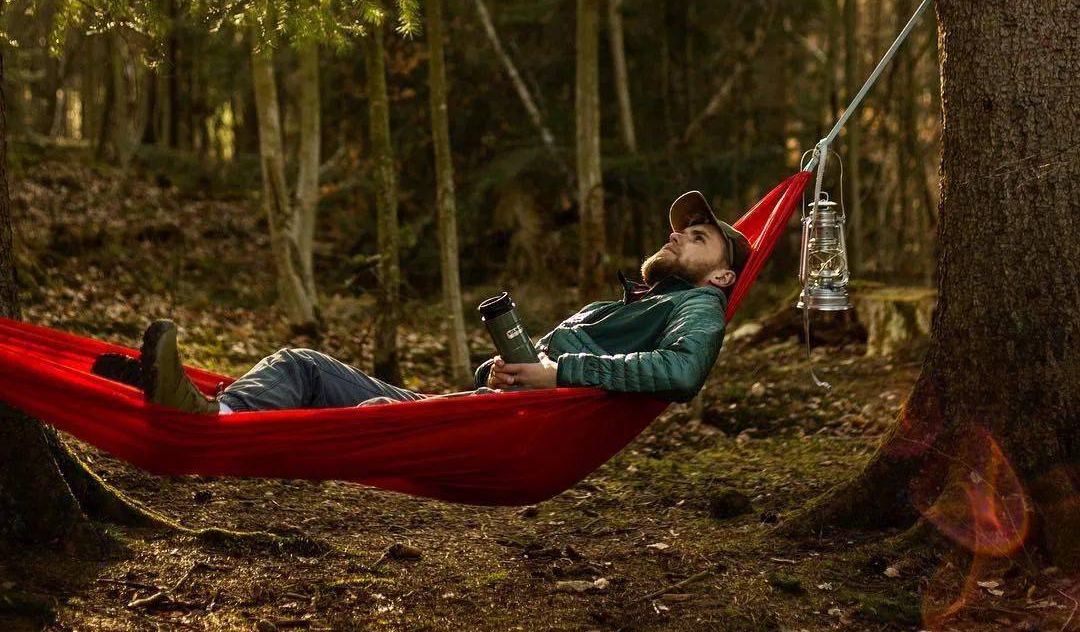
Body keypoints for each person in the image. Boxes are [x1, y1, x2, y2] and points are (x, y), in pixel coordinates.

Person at [94, 190, 749, 415]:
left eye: (696, 238)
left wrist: (557, 374)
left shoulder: (696, 309)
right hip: (480, 413)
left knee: (372, 416)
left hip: (505, 439)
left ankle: (203, 422)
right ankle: (193, 407)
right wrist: (498, 373)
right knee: (303, 368)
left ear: (721, 279)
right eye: (679, 228)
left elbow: (681, 374)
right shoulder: (639, 303)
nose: (676, 235)